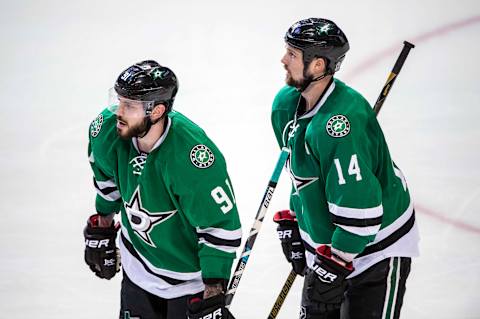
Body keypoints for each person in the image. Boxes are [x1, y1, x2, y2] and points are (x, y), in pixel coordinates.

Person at [271, 18, 419, 319]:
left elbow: (361, 213)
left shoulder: (340, 127)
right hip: (331, 246)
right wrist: (299, 219)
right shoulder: (285, 106)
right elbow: (303, 171)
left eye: (293, 54)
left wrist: (333, 265)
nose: (283, 60)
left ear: (318, 66)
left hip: (377, 247)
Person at [84, 60, 241, 319]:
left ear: (156, 111)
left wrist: (214, 291)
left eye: (129, 106)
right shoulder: (107, 131)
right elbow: (106, 181)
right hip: (137, 268)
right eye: (119, 101)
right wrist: (102, 222)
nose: (118, 111)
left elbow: (219, 227)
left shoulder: (193, 157)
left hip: (189, 283)